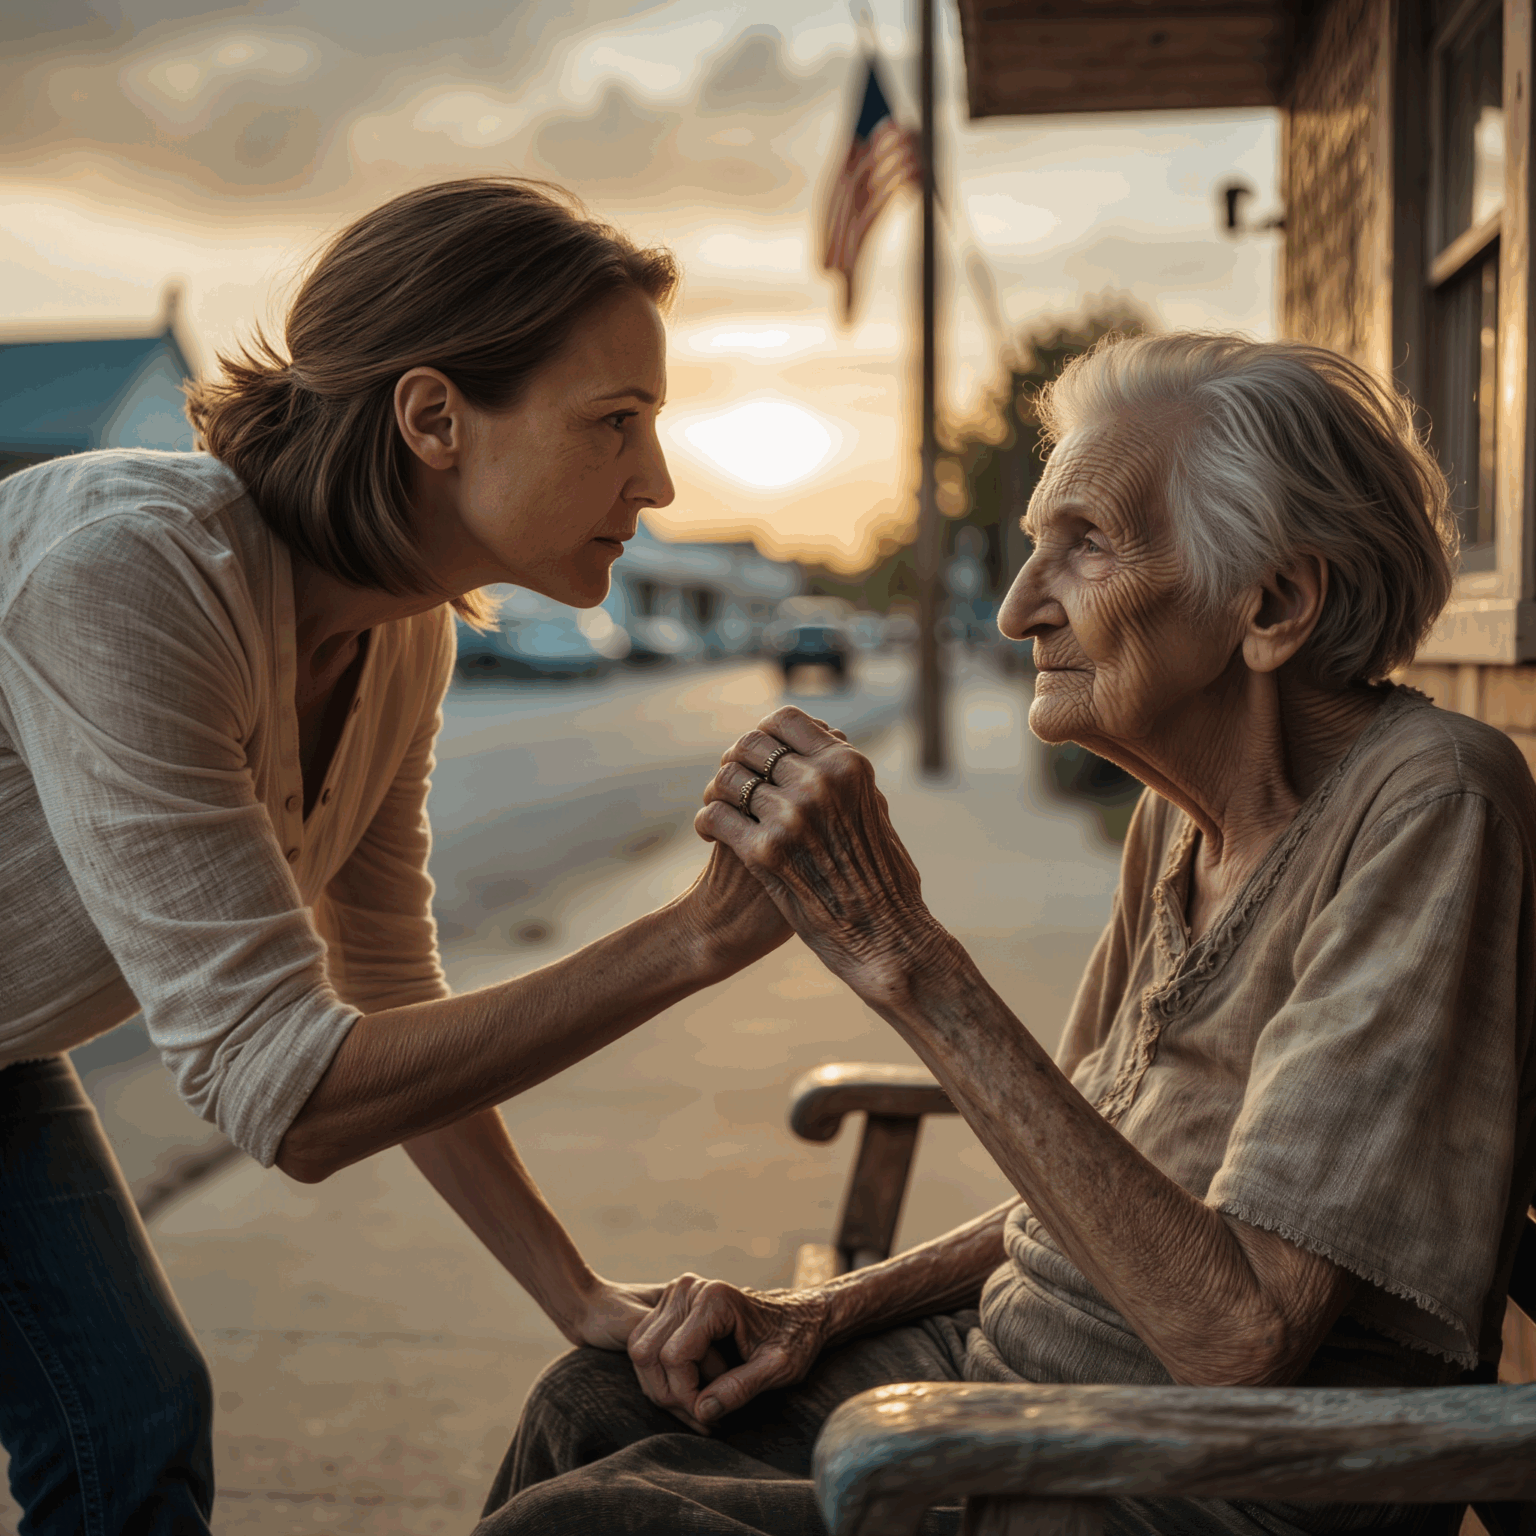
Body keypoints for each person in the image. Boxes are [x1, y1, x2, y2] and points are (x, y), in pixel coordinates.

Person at [479, 333, 1536, 1536]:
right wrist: (823, 1311)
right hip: (1024, 1384)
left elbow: (1240, 1338)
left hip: (1202, 1477)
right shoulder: (1176, 823)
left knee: (594, 1524)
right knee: (596, 1400)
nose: (1019, 606)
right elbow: (1078, 1188)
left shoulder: (1432, 805)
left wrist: (910, 961)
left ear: (1276, 603)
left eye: (1083, 544)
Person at [0, 177, 795, 1533]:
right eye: (615, 424)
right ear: (433, 416)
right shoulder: (131, 574)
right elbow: (288, 1094)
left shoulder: (407, 632)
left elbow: (384, 990)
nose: (654, 482)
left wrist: (576, 1293)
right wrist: (694, 939)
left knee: (130, 1433)